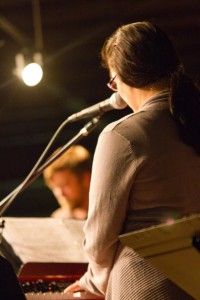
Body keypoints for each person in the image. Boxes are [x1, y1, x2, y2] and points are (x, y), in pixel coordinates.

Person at [64, 21, 200, 299]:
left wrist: (92, 284)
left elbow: (101, 237)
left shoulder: (123, 135)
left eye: (113, 80)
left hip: (145, 286)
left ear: (124, 77)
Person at [43, 145, 92, 220]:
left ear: (86, 179)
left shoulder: (108, 219)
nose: (60, 193)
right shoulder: (58, 219)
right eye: (54, 187)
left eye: (65, 185)